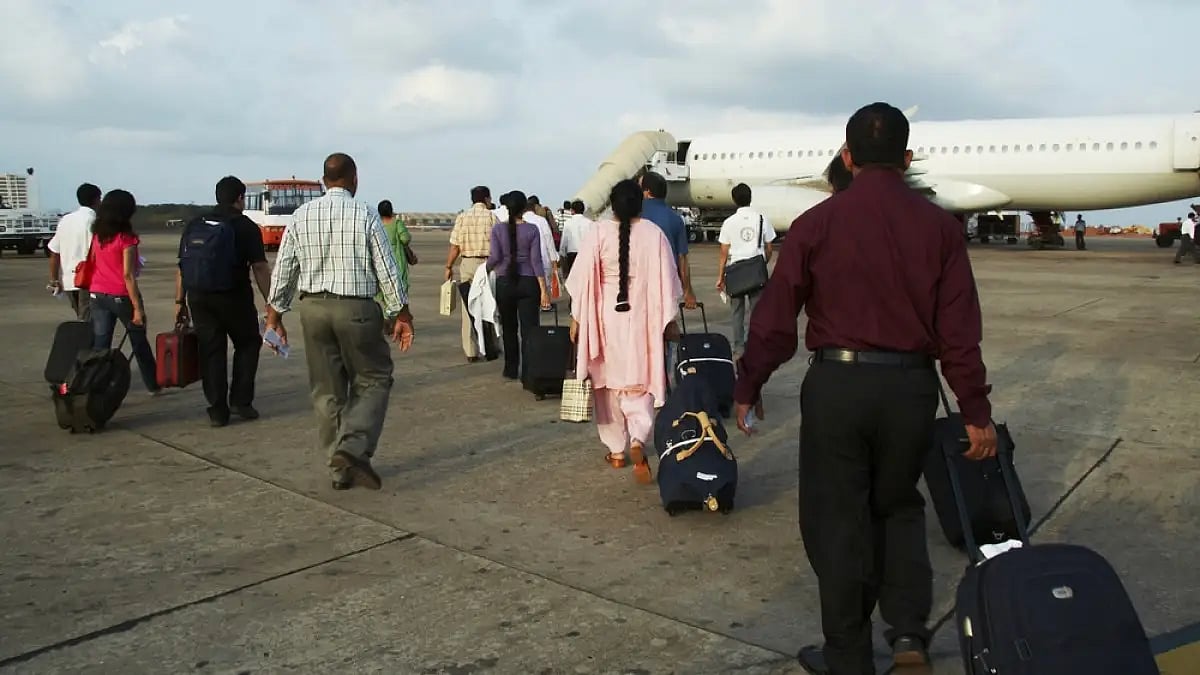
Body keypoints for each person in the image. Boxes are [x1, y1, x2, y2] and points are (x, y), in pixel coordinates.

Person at [732, 102, 998, 675]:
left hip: (838, 384)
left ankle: (848, 655)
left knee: (837, 518)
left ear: (847, 157)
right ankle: (907, 638)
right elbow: (959, 332)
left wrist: (749, 382)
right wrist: (975, 410)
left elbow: (776, 319)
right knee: (900, 507)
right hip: (909, 389)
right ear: (906, 159)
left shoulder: (815, 224)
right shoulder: (941, 229)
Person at [265, 153, 412, 491]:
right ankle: (353, 447)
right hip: (357, 309)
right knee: (374, 378)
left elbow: (284, 269)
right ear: (354, 178)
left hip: (313, 309)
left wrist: (275, 316)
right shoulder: (365, 214)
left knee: (327, 391)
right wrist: (399, 313)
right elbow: (387, 270)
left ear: (323, 180)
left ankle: (339, 470)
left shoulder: (300, 216)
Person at [567, 179, 681, 481]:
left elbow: (581, 282)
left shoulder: (598, 232)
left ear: (612, 204)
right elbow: (669, 283)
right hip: (642, 317)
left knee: (607, 385)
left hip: (605, 319)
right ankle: (637, 438)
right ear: (639, 204)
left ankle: (617, 450)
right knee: (639, 381)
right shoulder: (654, 234)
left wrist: (577, 318)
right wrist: (670, 320)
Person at [174, 176, 273, 427]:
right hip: (234, 296)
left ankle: (217, 410)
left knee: (211, 351)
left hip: (199, 297)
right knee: (248, 344)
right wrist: (271, 302)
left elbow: (182, 267)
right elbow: (260, 267)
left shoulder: (196, 224)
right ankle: (241, 401)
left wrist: (179, 301)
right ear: (240, 198)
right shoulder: (245, 226)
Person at [86, 189, 161, 395]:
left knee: (101, 344)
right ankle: (152, 383)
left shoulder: (98, 235)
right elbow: (128, 275)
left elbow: (92, 261)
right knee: (138, 341)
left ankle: (93, 383)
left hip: (97, 293)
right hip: (120, 294)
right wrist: (137, 308)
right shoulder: (126, 239)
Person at [486, 190, 549, 381]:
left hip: (505, 282)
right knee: (529, 330)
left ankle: (511, 368)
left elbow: (495, 257)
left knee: (509, 328)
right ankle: (529, 370)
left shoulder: (497, 230)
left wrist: (484, 270)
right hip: (529, 282)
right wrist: (544, 290)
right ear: (524, 208)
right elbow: (536, 261)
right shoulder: (532, 230)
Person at [716, 183, 775, 354]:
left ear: (734, 200)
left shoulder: (728, 223)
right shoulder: (762, 219)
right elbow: (769, 247)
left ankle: (739, 347)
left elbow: (723, 253)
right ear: (750, 198)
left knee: (737, 313)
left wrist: (720, 277)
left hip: (735, 272)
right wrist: (762, 262)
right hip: (756, 271)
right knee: (757, 312)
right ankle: (755, 344)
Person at [444, 186, 499, 362]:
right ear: (486, 199)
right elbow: (499, 243)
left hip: (467, 263)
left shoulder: (462, 217)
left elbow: (455, 245)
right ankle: (491, 346)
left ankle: (471, 351)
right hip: (486, 264)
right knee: (490, 306)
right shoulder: (492, 216)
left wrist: (449, 266)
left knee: (468, 308)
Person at [47, 182, 101, 321]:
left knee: (82, 318)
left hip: (69, 281)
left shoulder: (65, 219)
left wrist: (54, 279)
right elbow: (98, 252)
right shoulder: (94, 221)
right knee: (90, 323)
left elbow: (54, 251)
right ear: (96, 199)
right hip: (89, 281)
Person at [377, 199, 413, 333]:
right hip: (397, 262)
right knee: (401, 290)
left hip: (381, 260)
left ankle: (387, 318)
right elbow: (405, 239)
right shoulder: (397, 223)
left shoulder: (378, 225)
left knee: (384, 291)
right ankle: (399, 318)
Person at [522, 197, 560, 309]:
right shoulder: (541, 220)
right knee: (545, 283)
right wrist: (554, 260)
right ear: (535, 207)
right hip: (543, 259)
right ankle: (545, 303)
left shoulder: (521, 220)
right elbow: (549, 241)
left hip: (526, 263)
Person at [557, 199, 594, 279]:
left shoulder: (568, 223)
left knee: (574, 280)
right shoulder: (590, 223)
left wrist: (562, 254)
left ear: (572, 210)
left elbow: (564, 242)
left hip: (572, 255)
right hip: (586, 254)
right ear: (583, 210)